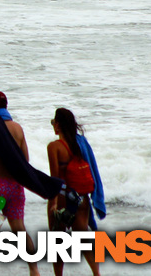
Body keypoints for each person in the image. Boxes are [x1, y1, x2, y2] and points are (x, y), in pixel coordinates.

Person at [0, 91, 63, 276]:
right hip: (15, 187)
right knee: (20, 230)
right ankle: (34, 270)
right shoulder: (17, 128)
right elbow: (25, 160)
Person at [46, 108, 105, 276]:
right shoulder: (81, 144)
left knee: (57, 243)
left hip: (63, 199)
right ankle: (96, 273)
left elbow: (55, 180)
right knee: (83, 240)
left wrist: (53, 205)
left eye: (53, 123)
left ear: (57, 125)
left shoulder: (54, 147)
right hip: (81, 199)